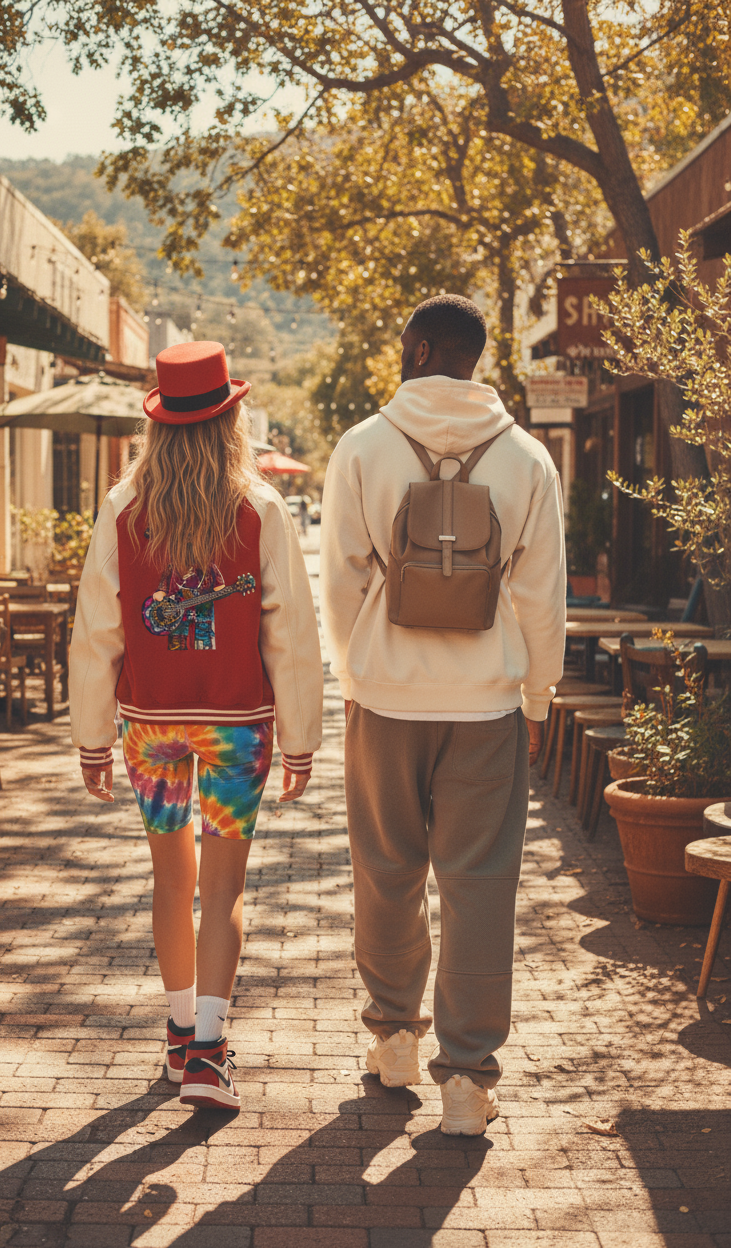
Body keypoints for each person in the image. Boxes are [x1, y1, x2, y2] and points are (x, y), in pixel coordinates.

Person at [320, 295, 565, 1136]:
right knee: (480, 885)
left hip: (385, 696)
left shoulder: (363, 445)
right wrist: (537, 695)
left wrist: (353, 671)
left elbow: (343, 576)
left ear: (418, 346)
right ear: (473, 356)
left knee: (386, 868)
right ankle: (466, 1077)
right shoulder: (528, 456)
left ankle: (393, 1035)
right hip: (487, 702)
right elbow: (541, 595)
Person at [69, 341, 323, 1110]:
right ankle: (210, 1053)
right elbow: (291, 635)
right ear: (231, 417)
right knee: (225, 886)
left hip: (152, 727)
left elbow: (96, 633)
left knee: (170, 882)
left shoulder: (122, 507)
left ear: (159, 424)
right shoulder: (260, 507)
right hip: (237, 726)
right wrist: (303, 739)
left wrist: (91, 737)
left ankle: (179, 1035)